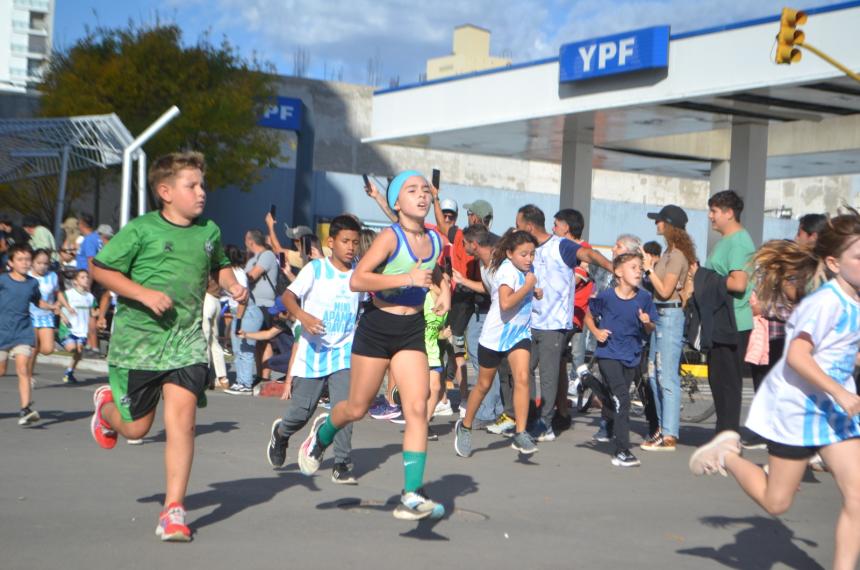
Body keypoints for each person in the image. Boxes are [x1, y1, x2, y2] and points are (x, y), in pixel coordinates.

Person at [89, 151, 247, 542]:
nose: (201, 192)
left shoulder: (208, 231)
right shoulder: (141, 230)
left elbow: (218, 266)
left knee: (183, 422)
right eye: (191, 185)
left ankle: (173, 510)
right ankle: (106, 409)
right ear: (165, 192)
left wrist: (232, 284)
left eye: (202, 185)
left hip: (187, 341)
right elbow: (99, 268)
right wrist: (142, 293)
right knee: (137, 427)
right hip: (140, 343)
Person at [689, 209, 860, 570]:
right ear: (833, 262)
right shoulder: (824, 302)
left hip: (831, 409)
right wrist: (842, 392)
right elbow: (798, 357)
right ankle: (728, 454)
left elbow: (846, 349)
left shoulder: (854, 300)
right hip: (797, 410)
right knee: (776, 502)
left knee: (858, 498)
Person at [297, 170, 450, 521]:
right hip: (377, 329)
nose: (422, 195)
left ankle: (411, 492)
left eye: (425, 190)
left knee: (417, 406)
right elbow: (357, 279)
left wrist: (444, 293)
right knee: (355, 408)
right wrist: (406, 279)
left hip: (411, 328)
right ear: (397, 203)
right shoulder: (389, 237)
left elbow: (436, 273)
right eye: (412, 190)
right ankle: (321, 436)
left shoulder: (436, 241)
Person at [266, 215, 363, 484]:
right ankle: (282, 434)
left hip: (342, 352)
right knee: (300, 413)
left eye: (355, 242)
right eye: (345, 241)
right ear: (331, 242)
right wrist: (302, 316)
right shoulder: (316, 270)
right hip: (312, 352)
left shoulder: (359, 275)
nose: (351, 247)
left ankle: (342, 462)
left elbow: (369, 304)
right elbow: (287, 296)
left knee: (345, 407)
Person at [515, 204, 612, 441]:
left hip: (553, 325)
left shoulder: (561, 245)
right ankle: (528, 418)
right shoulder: (528, 249)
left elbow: (588, 255)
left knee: (548, 376)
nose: (517, 230)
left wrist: (612, 267)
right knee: (523, 371)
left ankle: (545, 425)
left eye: (519, 226)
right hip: (530, 322)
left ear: (528, 226)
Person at [455, 229, 541, 457]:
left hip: (519, 335)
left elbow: (524, 290)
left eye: (532, 254)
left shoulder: (527, 270)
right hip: (494, 337)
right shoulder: (506, 271)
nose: (529, 259)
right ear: (510, 253)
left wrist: (535, 290)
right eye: (524, 254)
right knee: (483, 385)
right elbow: (505, 303)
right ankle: (465, 426)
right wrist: (528, 288)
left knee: (522, 378)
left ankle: (521, 432)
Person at [585, 252, 658, 467]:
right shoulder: (606, 297)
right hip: (608, 353)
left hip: (631, 355)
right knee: (623, 399)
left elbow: (651, 326)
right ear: (618, 272)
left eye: (640, 268)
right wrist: (597, 332)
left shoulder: (644, 298)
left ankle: (589, 381)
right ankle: (622, 450)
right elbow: (588, 315)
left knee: (616, 401)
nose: (638, 271)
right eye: (633, 267)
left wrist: (646, 323)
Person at [640, 205, 696, 452]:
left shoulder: (677, 256)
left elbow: (664, 290)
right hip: (660, 316)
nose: (656, 225)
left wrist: (649, 269)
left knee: (666, 376)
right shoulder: (668, 252)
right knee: (653, 374)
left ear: (669, 225)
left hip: (670, 316)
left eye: (660, 221)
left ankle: (670, 433)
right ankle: (663, 429)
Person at [705, 190, 756, 435]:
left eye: (714, 211)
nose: (710, 216)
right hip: (720, 319)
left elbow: (738, 283)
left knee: (728, 384)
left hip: (732, 320)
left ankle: (727, 439)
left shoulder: (739, 242)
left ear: (729, 213)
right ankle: (723, 437)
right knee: (718, 381)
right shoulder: (727, 241)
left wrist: (706, 279)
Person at [2, 243, 56, 424]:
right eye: (20, 259)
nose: (25, 263)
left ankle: (25, 410)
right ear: (10, 262)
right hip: (2, 331)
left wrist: (52, 307)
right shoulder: (3, 281)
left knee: (23, 369)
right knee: (1, 371)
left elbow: (37, 301)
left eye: (27, 260)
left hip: (23, 331)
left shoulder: (33, 283)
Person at [243, 229, 279, 383]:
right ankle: (259, 374)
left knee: (264, 341)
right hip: (254, 303)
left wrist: (236, 274)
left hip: (265, 304)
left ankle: (265, 376)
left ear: (251, 241)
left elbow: (253, 275)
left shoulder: (267, 255)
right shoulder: (254, 257)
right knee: (258, 341)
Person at [27, 248, 62, 383]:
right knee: (33, 349)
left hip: (46, 316)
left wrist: (59, 304)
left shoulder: (52, 276)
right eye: (39, 263)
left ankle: (27, 359)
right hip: (30, 315)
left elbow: (58, 292)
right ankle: (28, 376)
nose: (42, 266)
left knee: (47, 349)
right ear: (32, 263)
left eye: (45, 263)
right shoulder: (28, 277)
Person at [424, 265, 452, 439]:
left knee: (435, 387)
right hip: (418, 349)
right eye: (443, 283)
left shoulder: (445, 306)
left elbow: (436, 331)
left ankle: (424, 424)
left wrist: (444, 334)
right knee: (421, 389)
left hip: (433, 351)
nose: (446, 287)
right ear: (432, 285)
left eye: (448, 283)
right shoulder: (423, 300)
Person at [58, 269, 96, 384]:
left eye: (87, 277)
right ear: (75, 281)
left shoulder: (90, 297)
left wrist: (101, 317)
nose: (86, 279)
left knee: (78, 353)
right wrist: (63, 315)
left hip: (82, 331)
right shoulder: (68, 294)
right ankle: (59, 338)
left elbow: (93, 313)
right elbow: (57, 307)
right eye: (82, 277)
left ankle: (69, 372)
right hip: (68, 328)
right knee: (72, 348)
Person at [203, 275, 228, 390]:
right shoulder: (218, 264)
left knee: (204, 340)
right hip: (216, 299)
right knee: (214, 341)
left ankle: (205, 376)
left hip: (206, 299)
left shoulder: (205, 261)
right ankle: (222, 378)